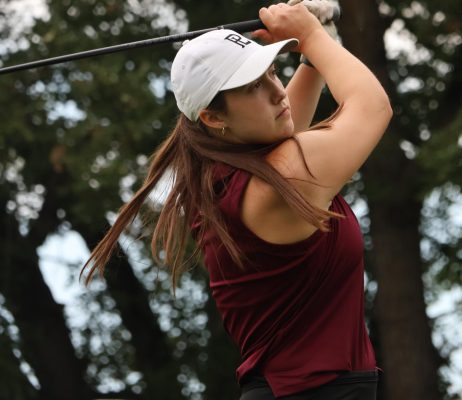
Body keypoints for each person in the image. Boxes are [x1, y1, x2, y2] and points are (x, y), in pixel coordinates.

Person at [81, 2, 392, 399]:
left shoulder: (227, 177)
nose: (276, 92)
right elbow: (372, 108)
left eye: (273, 74)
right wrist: (312, 37)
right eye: (252, 86)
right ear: (213, 118)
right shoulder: (276, 181)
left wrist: (314, 51)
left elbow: (282, 119)